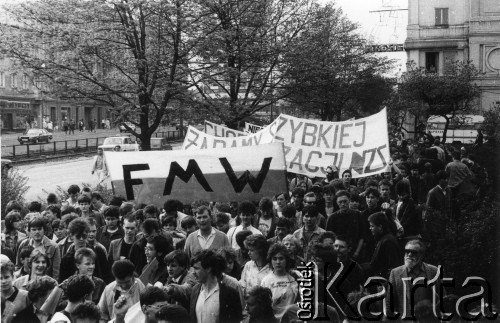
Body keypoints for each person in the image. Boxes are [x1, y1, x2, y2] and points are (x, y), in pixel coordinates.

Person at [386, 239, 439, 319]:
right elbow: (390, 303)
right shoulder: (395, 273)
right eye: (407, 251)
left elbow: (441, 300)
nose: (409, 254)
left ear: (422, 255)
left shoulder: (433, 271)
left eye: (414, 252)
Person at [189, 250, 243, 323]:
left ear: (208, 269)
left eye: (197, 268)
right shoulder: (194, 290)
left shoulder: (230, 294)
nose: (193, 272)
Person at [260, 243, 299, 321]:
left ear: (286, 260)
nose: (278, 262)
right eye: (274, 259)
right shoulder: (266, 281)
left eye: (281, 258)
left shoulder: (293, 279)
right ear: (270, 261)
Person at [16, 218, 61, 282]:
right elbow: (18, 265)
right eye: (34, 230)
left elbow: (56, 272)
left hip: (45, 282)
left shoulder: (54, 247)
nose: (37, 232)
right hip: (26, 281)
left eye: (39, 229)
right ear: (29, 231)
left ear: (44, 230)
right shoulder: (24, 244)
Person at [363, 212, 402, 279]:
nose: (370, 228)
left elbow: (393, 267)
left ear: (380, 227)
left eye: (372, 226)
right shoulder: (384, 239)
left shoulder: (388, 241)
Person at [326, 190, 364, 260]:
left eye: (345, 201)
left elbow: (362, 236)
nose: (343, 204)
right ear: (337, 203)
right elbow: (329, 239)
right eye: (340, 202)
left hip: (354, 251)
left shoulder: (357, 215)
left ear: (349, 201)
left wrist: (357, 252)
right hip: (338, 252)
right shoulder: (332, 218)